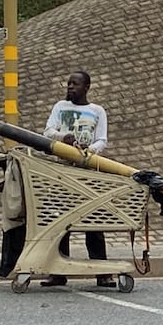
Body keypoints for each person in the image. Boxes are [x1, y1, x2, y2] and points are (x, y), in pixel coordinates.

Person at [40, 70, 115, 288]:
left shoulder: (97, 111)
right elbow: (47, 132)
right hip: (61, 171)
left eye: (75, 84)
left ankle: (103, 273)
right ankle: (58, 272)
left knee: (94, 222)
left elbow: (102, 140)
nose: (70, 87)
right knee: (61, 220)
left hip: (87, 172)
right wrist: (64, 137)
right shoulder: (60, 107)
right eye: (69, 84)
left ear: (87, 87)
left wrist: (88, 151)